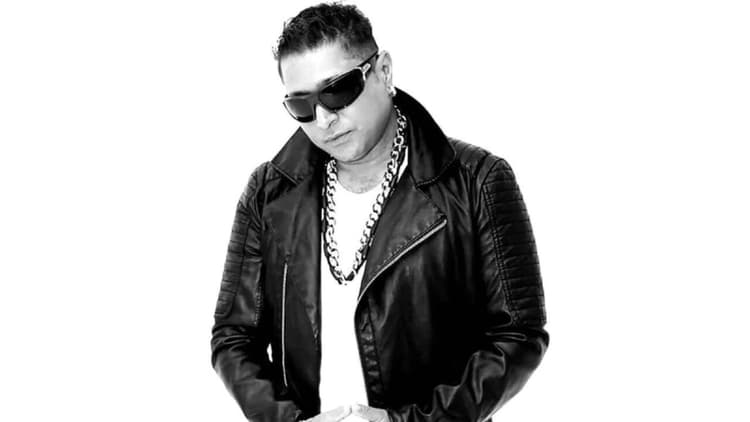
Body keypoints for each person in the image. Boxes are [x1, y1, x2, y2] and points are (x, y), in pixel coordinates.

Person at [210, 3, 549, 421]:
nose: (324, 119)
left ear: (383, 72)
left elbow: (518, 336)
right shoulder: (268, 192)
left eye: (337, 90)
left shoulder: (477, 180)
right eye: (302, 105)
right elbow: (233, 336)